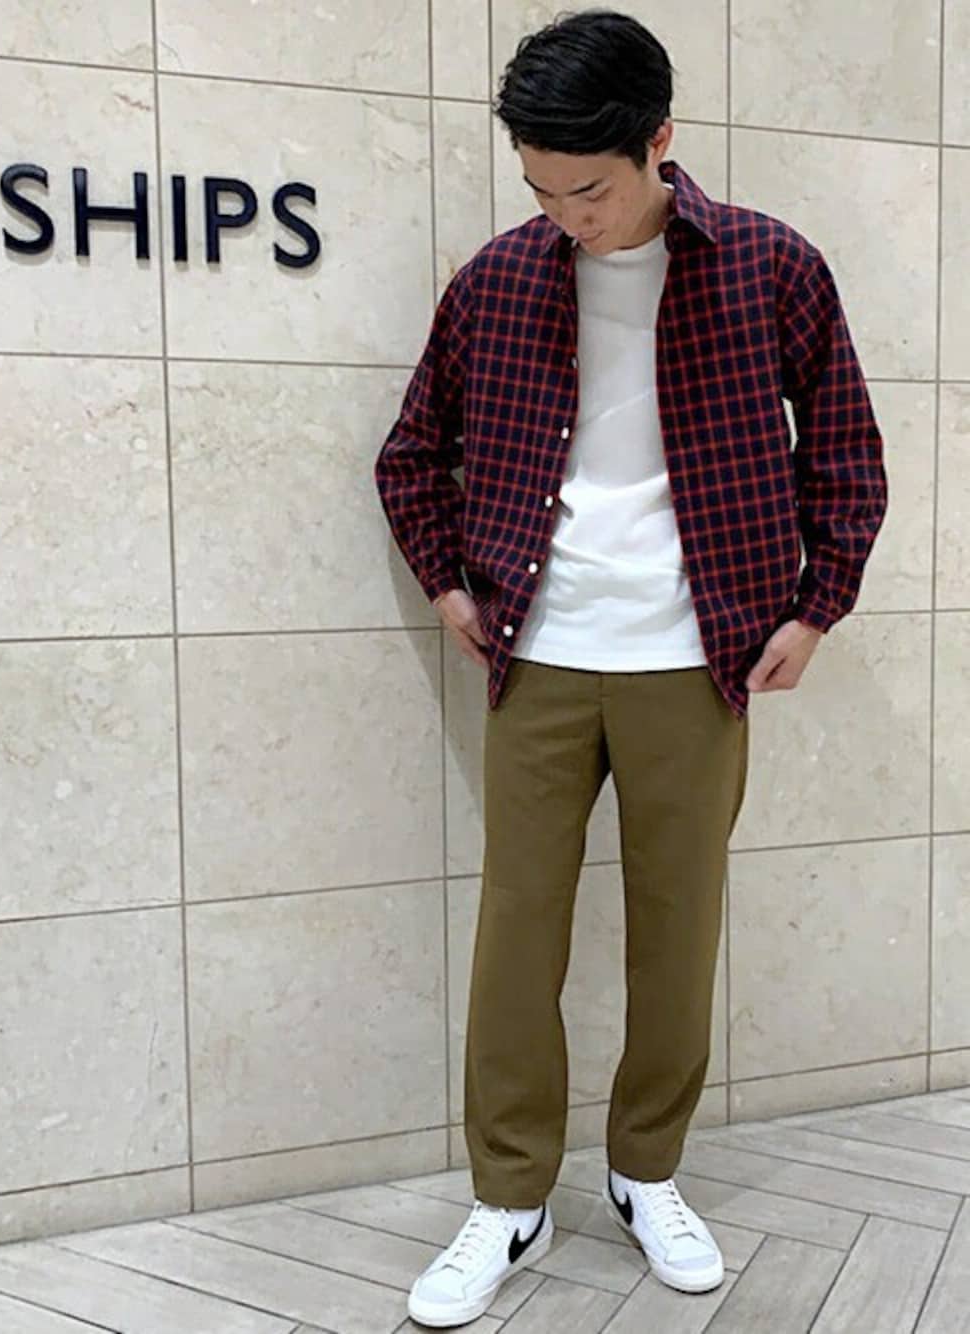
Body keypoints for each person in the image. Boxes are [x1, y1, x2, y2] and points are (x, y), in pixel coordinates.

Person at [374, 7, 887, 1327]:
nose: (567, 217)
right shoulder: (499, 277)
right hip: (538, 657)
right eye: (541, 189)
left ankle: (645, 1171)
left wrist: (817, 608)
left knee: (678, 931)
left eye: (589, 190)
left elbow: (846, 452)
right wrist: (447, 584)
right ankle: (509, 1197)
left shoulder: (770, 265)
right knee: (516, 935)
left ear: (660, 141)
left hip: (696, 661)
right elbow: (410, 454)